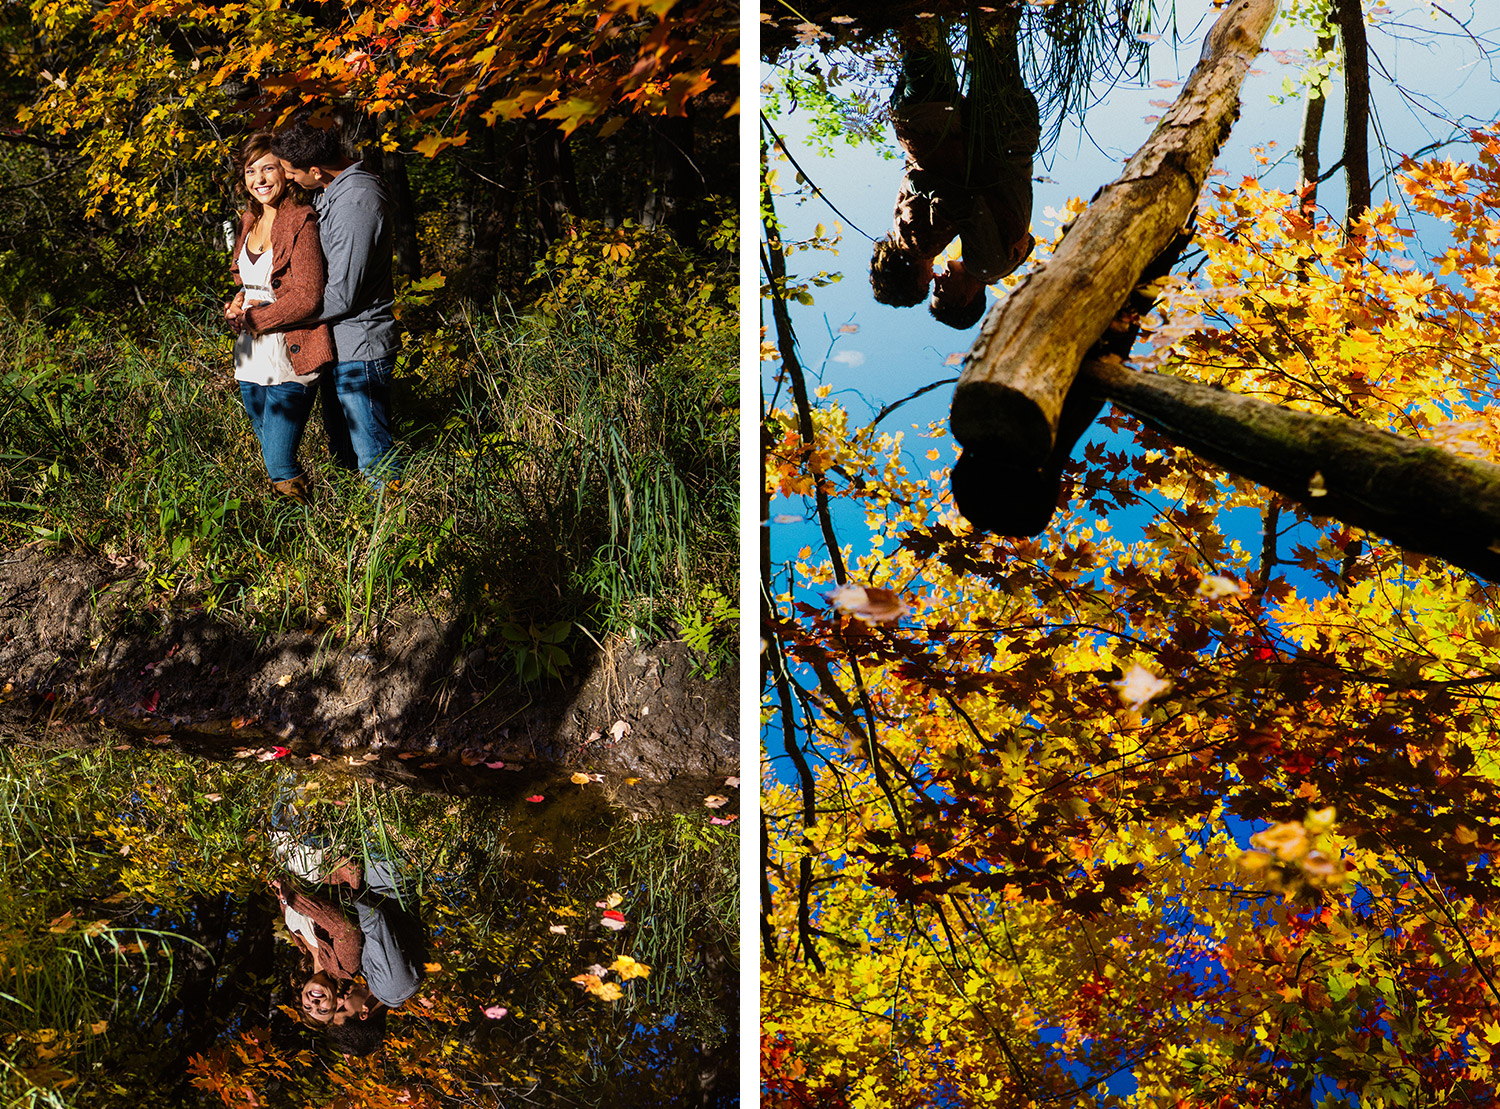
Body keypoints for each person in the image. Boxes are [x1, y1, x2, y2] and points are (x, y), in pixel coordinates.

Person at [869, 17, 1041, 329]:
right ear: (962, 299)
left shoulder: (983, 261)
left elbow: (965, 201)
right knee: (973, 34)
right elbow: (969, 202)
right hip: (992, 130)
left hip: (989, 128)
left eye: (928, 287)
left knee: (987, 35)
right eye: (937, 292)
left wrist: (1021, 243)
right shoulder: (985, 265)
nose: (935, 280)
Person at [270, 113, 402, 483]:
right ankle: (359, 528)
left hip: (360, 348)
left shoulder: (356, 202)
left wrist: (280, 314)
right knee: (344, 452)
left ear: (315, 169)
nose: (291, 180)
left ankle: (395, 528)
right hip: (338, 348)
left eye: (293, 173)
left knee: (374, 456)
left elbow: (342, 293)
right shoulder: (333, 192)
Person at [223, 132, 334, 502]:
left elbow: (307, 296)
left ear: (284, 172)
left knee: (278, 458)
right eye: (251, 171)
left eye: (268, 168)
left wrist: (255, 320)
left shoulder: (301, 220)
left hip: (291, 352)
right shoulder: (248, 222)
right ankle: (299, 530)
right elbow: (252, 282)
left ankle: (307, 532)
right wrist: (238, 303)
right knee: (271, 454)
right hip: (249, 357)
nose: (260, 179)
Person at [326, 855, 426, 1057]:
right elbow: (375, 919)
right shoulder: (392, 986)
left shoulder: (379, 987)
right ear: (363, 1014)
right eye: (342, 1009)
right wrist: (338, 898)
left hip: (376, 875)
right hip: (386, 870)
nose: (338, 1000)